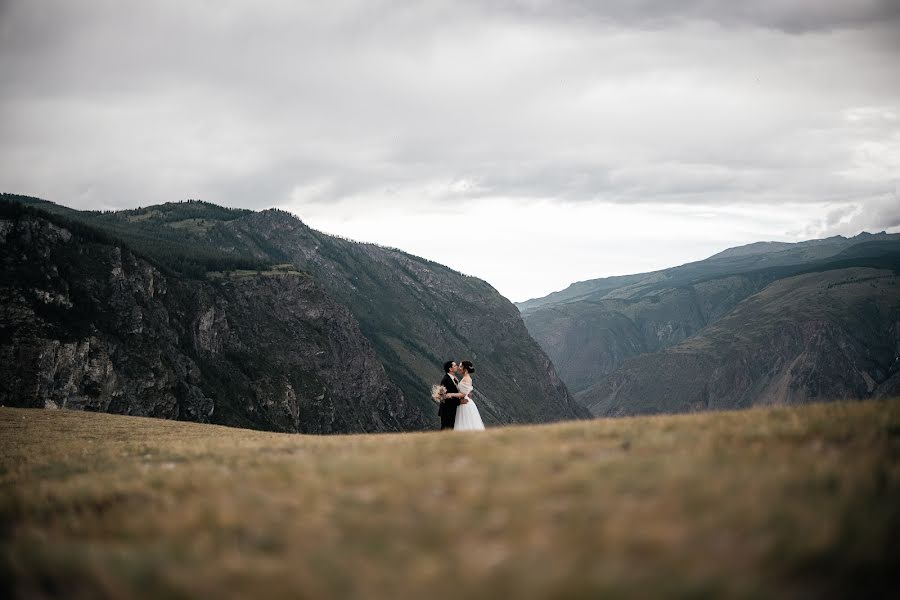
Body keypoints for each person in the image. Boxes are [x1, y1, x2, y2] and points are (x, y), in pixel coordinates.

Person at [454, 361, 485, 431]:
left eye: (461, 366)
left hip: (465, 403)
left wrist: (449, 394)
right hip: (464, 402)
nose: (459, 368)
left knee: (465, 423)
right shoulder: (465, 378)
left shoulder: (466, 378)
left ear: (465, 369)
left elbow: (463, 393)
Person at [438, 360, 468, 430]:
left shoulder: (453, 379)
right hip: (447, 411)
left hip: (452, 410)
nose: (457, 367)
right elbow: (445, 397)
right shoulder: (446, 380)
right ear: (450, 369)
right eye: (454, 366)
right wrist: (459, 402)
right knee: (446, 430)